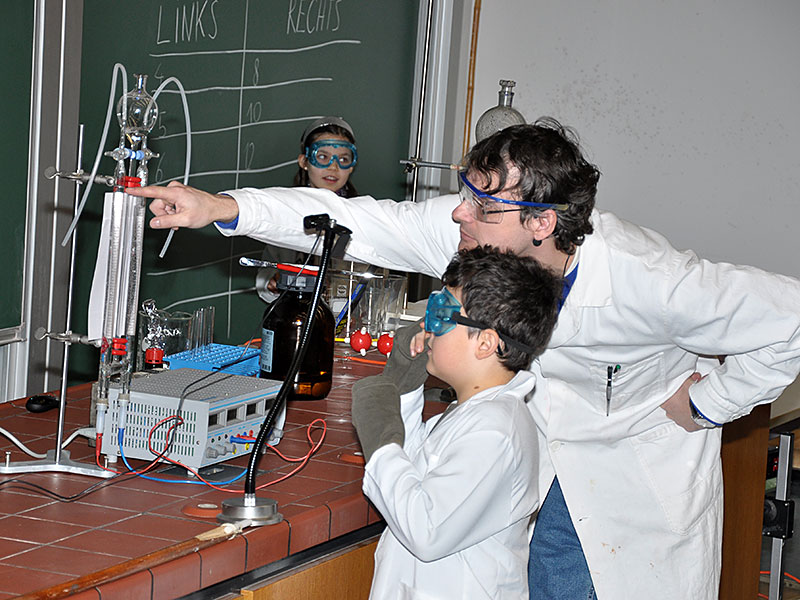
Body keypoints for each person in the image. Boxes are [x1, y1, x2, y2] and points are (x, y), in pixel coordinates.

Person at [127, 118, 800, 599]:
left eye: (482, 206)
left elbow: (790, 318)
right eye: (464, 195)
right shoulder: (479, 236)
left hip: (629, 480)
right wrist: (226, 206)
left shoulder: (649, 277)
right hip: (529, 456)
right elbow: (363, 221)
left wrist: (710, 401)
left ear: (542, 222)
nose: (459, 217)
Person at [351, 245, 561, 599]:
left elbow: (426, 530)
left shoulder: (495, 431)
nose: (428, 326)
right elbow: (414, 471)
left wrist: (381, 441)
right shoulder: (473, 412)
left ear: (486, 343)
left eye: (442, 315)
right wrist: (405, 384)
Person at [255, 116, 359, 302]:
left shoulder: (361, 215)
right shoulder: (286, 211)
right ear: (304, 161)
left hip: (346, 316)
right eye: (322, 157)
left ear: (351, 167)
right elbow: (265, 277)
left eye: (343, 159)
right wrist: (273, 281)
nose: (333, 167)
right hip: (295, 314)